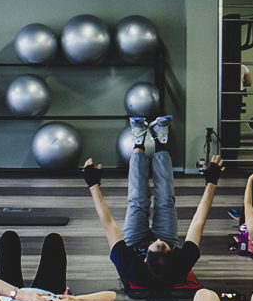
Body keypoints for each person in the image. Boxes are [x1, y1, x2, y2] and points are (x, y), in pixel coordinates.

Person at [83, 116, 223, 288]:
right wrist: (212, 182)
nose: (156, 240)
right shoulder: (181, 265)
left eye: (154, 246)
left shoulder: (130, 267)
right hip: (165, 240)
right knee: (166, 201)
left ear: (144, 259)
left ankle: (139, 141)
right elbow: (198, 221)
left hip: (134, 242)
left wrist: (93, 184)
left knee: (138, 201)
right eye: (162, 245)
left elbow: (108, 224)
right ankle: (160, 139)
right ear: (173, 254)